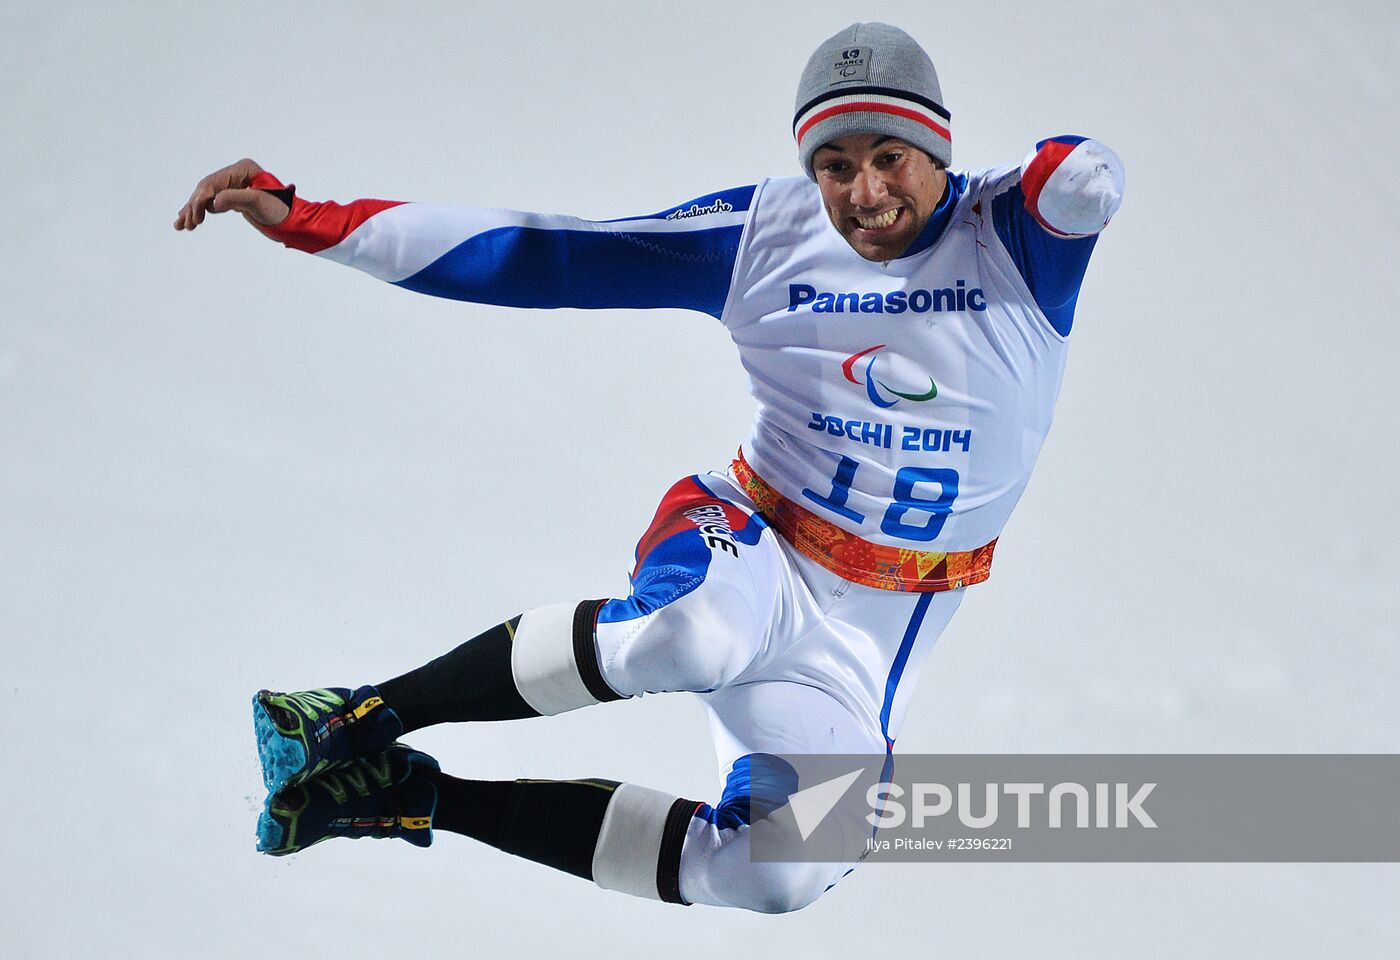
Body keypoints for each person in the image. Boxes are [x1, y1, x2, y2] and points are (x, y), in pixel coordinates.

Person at [175, 22, 1123, 913]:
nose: (865, 193)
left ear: (939, 150)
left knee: (771, 879)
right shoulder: (765, 234)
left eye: (889, 158)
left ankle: (408, 798)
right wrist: (306, 218)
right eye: (833, 167)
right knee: (689, 638)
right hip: (757, 542)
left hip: (871, 640)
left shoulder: (1015, 244)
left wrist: (1078, 175)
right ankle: (359, 714)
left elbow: (1082, 177)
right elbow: (549, 256)